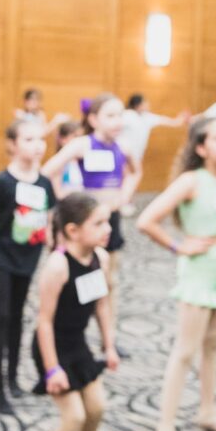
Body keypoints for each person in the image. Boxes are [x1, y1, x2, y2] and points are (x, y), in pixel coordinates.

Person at [137, 118, 216, 431]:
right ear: (201, 148)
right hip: (198, 271)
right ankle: (164, 429)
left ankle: (207, 411)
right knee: (184, 352)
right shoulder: (191, 181)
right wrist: (178, 246)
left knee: (212, 346)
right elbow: (146, 220)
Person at [22, 192, 119, 431]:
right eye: (99, 223)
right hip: (52, 347)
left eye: (107, 222)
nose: (108, 229)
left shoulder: (100, 258)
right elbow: (44, 322)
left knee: (97, 407)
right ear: (73, 230)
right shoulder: (58, 265)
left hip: (77, 343)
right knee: (73, 417)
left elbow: (102, 306)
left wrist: (109, 346)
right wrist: (52, 369)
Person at [42, 94, 137, 351]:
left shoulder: (123, 147)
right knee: (71, 279)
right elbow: (48, 172)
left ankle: (109, 339)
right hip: (82, 224)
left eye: (120, 115)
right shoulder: (82, 144)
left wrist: (125, 195)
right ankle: (61, 334)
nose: (117, 121)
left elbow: (135, 172)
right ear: (93, 119)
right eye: (110, 115)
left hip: (110, 220)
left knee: (109, 280)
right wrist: (64, 198)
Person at [0, 120, 56, 415]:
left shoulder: (44, 182)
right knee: (1, 317)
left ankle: (12, 379)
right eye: (28, 139)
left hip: (29, 259)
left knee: (17, 318)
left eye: (40, 139)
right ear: (12, 144)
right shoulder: (1, 182)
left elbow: (48, 221)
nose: (37, 145)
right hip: (2, 258)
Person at [118, 93, 189, 215]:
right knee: (128, 177)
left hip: (137, 155)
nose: (148, 105)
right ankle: (123, 203)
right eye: (145, 102)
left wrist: (181, 119)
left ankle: (126, 202)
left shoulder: (147, 117)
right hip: (124, 154)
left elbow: (170, 122)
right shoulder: (127, 115)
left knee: (131, 178)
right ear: (138, 105)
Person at [54, 121, 84, 198]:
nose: (80, 141)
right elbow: (58, 193)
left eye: (82, 137)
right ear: (63, 140)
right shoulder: (59, 164)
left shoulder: (84, 161)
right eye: (76, 137)